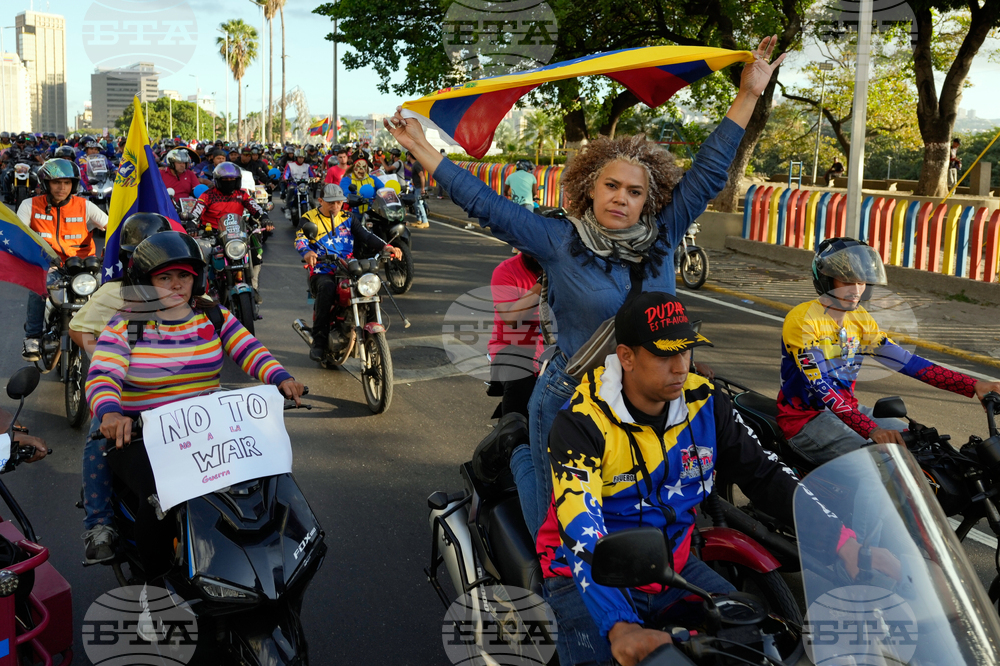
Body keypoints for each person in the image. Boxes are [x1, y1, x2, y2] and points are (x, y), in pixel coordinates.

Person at [386, 35, 788, 538]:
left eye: (634, 191)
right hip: (570, 398)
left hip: (649, 397)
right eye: (611, 186)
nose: (621, 198)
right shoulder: (559, 240)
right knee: (556, 537)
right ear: (589, 188)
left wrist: (749, 92)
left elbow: (709, 171)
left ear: (649, 200)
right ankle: (514, 458)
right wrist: (419, 146)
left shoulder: (665, 234)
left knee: (651, 518)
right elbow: (485, 203)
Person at [533, 291, 898, 666]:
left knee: (758, 649)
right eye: (664, 355)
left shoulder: (706, 401)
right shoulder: (582, 421)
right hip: (584, 575)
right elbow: (580, 525)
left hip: (672, 567)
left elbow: (764, 473)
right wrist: (620, 626)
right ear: (626, 356)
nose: (680, 367)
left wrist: (843, 541)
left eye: (686, 351)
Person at [84, 231, 304, 576]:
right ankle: (154, 587)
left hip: (205, 427)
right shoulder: (128, 323)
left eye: (184, 276)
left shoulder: (212, 315)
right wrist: (110, 412)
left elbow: (248, 348)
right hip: (143, 435)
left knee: (262, 479)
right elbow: (103, 373)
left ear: (196, 279)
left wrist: (281, 377)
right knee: (159, 497)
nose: (176, 285)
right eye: (165, 277)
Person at [778, 237, 1000, 465]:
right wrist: (870, 429)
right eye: (847, 281)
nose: (856, 290)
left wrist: (973, 385)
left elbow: (907, 362)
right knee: (886, 464)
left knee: (933, 452)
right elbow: (821, 386)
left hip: (851, 411)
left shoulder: (859, 319)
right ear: (826, 281)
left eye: (861, 282)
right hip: (806, 420)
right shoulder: (802, 320)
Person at [70, 212, 174, 563]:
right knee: (100, 437)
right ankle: (99, 523)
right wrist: (104, 355)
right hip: (123, 389)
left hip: (173, 392)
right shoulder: (114, 294)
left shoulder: (187, 297)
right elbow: (78, 328)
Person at [294, 184, 402, 361]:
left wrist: (386, 247)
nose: (336, 206)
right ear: (320, 201)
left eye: (339, 202)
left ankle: (374, 337)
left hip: (349, 268)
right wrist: (307, 252)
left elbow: (366, 235)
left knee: (371, 287)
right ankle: (319, 342)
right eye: (331, 203)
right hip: (323, 269)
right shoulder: (309, 218)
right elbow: (300, 239)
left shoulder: (348, 217)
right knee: (327, 289)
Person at [17, 158, 108, 361]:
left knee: (108, 292)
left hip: (84, 267)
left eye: (67, 182)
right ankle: (32, 336)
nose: (62, 187)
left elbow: (112, 228)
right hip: (49, 266)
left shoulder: (85, 206)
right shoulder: (29, 205)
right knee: (38, 288)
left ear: (73, 185)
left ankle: (109, 337)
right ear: (46, 184)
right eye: (57, 182)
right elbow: (19, 235)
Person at [487, 251, 544, 420]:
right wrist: (544, 282)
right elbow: (512, 319)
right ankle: (513, 429)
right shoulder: (506, 271)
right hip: (512, 346)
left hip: (555, 345)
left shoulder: (568, 269)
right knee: (520, 374)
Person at [189, 162, 266, 233]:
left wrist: (264, 217)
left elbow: (255, 208)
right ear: (218, 180)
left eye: (232, 179)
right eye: (225, 179)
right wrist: (191, 224)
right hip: (212, 234)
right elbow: (195, 213)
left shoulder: (242, 194)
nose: (229, 181)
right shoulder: (208, 195)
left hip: (236, 233)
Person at [405, 152, 429, 228]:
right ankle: (419, 220)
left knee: (419, 204)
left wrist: (422, 188)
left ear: (409, 156)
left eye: (407, 156)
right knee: (416, 204)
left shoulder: (417, 164)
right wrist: (403, 164)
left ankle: (425, 221)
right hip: (417, 187)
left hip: (419, 187)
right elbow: (411, 169)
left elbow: (422, 176)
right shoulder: (415, 165)